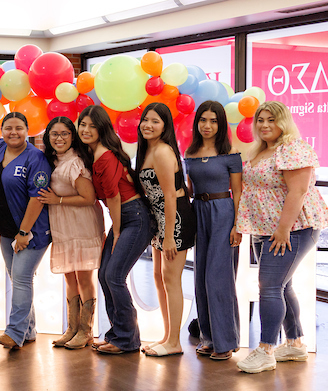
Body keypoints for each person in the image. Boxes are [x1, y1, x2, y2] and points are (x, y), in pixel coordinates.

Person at [235, 101, 328, 374]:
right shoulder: (259, 150)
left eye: (271, 120)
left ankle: (265, 350)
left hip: (292, 229)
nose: (265, 125)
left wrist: (283, 229)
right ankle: (295, 343)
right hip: (264, 229)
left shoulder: (293, 149)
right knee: (282, 286)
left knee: (271, 287)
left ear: (283, 122)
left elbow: (297, 192)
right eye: (261, 120)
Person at [77, 106, 152, 354]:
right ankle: (116, 334)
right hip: (123, 218)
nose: (85, 130)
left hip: (135, 217)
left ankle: (128, 339)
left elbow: (114, 197)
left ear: (101, 129)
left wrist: (116, 231)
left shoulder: (106, 156)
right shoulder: (93, 155)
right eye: (82, 125)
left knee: (114, 276)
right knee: (104, 275)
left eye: (91, 126)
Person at [0, 112, 52, 349]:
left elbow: (38, 198)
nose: (13, 132)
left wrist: (23, 233)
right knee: (17, 279)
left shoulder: (36, 158)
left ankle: (14, 333)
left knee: (22, 279)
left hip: (32, 232)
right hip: (5, 231)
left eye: (19, 128)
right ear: (1, 130)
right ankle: (29, 330)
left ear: (27, 130)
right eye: (8, 128)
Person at [38, 116, 105, 349]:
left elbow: (89, 198)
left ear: (72, 136)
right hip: (62, 226)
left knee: (84, 277)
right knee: (69, 275)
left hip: (82, 224)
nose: (59, 138)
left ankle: (86, 331)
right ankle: (72, 327)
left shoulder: (76, 162)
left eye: (65, 133)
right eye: (54, 134)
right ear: (47, 137)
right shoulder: (53, 161)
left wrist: (58, 200)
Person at [136, 102, 196, 357]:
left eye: (155, 121)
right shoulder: (148, 150)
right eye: (145, 120)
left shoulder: (162, 152)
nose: (148, 125)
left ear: (165, 126)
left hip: (175, 220)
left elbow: (170, 196)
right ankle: (166, 336)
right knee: (159, 280)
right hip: (160, 222)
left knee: (171, 280)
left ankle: (175, 342)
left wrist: (169, 235)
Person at [184, 101, 242, 360]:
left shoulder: (231, 153)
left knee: (218, 280)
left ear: (221, 124)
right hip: (199, 212)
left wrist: (238, 225)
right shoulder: (190, 151)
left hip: (223, 212)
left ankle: (226, 341)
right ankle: (208, 337)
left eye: (213, 121)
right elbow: (188, 188)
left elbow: (238, 191)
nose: (207, 125)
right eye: (203, 120)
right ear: (197, 123)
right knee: (200, 279)